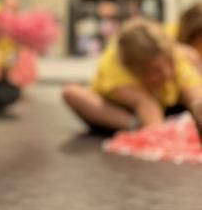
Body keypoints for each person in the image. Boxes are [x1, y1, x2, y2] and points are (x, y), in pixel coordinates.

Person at [62, 18, 202, 135]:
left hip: (166, 107)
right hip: (123, 109)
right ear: (136, 72)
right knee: (72, 93)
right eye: (155, 71)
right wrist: (161, 134)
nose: (167, 73)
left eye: (170, 63)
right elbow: (148, 107)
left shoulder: (177, 58)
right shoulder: (117, 70)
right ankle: (136, 126)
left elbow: (196, 96)